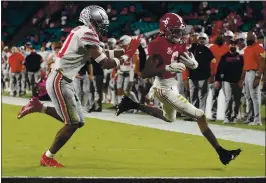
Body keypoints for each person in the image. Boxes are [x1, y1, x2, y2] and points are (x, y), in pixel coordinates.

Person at [17, 5, 140, 167]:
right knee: (73, 123)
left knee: (78, 120)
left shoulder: (82, 31)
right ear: (91, 21)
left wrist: (126, 50)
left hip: (62, 79)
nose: (102, 25)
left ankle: (39, 107)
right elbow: (106, 63)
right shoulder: (87, 34)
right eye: (99, 22)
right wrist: (128, 54)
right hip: (60, 80)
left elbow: (104, 53)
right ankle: (47, 157)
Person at [116, 12, 241, 166]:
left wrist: (193, 63)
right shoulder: (157, 44)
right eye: (175, 30)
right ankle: (222, 153)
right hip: (162, 87)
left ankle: (131, 104)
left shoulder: (179, 42)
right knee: (200, 115)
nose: (179, 33)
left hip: (171, 84)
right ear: (166, 30)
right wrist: (167, 67)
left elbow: (184, 55)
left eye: (180, 30)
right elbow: (146, 73)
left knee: (169, 118)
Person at [183, 32, 215, 121]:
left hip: (204, 76)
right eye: (200, 39)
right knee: (193, 96)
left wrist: (211, 75)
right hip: (193, 76)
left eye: (202, 39)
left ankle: (201, 115)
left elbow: (213, 62)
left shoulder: (208, 50)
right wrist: (186, 77)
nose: (201, 40)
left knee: (202, 97)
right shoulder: (191, 50)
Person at [215, 40, 244, 124]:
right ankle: (227, 117)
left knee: (237, 99)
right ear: (229, 45)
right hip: (226, 80)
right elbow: (219, 69)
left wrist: (242, 80)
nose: (233, 46)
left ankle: (234, 117)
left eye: (234, 44)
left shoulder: (240, 57)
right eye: (231, 44)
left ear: (236, 46)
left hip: (237, 81)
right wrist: (217, 80)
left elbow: (243, 69)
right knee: (229, 99)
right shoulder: (224, 57)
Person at [240, 31, 265, 126]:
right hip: (247, 73)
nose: (249, 40)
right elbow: (245, 65)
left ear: (255, 38)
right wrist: (242, 78)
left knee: (255, 96)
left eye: (251, 38)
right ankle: (250, 117)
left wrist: (258, 77)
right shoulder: (247, 49)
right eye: (248, 38)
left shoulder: (259, 47)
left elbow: (262, 62)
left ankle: (257, 120)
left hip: (254, 73)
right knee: (248, 97)